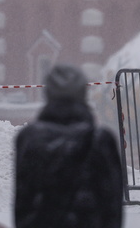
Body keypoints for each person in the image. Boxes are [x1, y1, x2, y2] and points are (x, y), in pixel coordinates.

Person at [14, 64, 124, 228]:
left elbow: (23, 204)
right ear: (83, 93)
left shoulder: (29, 138)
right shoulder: (101, 140)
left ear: (47, 93)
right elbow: (112, 208)